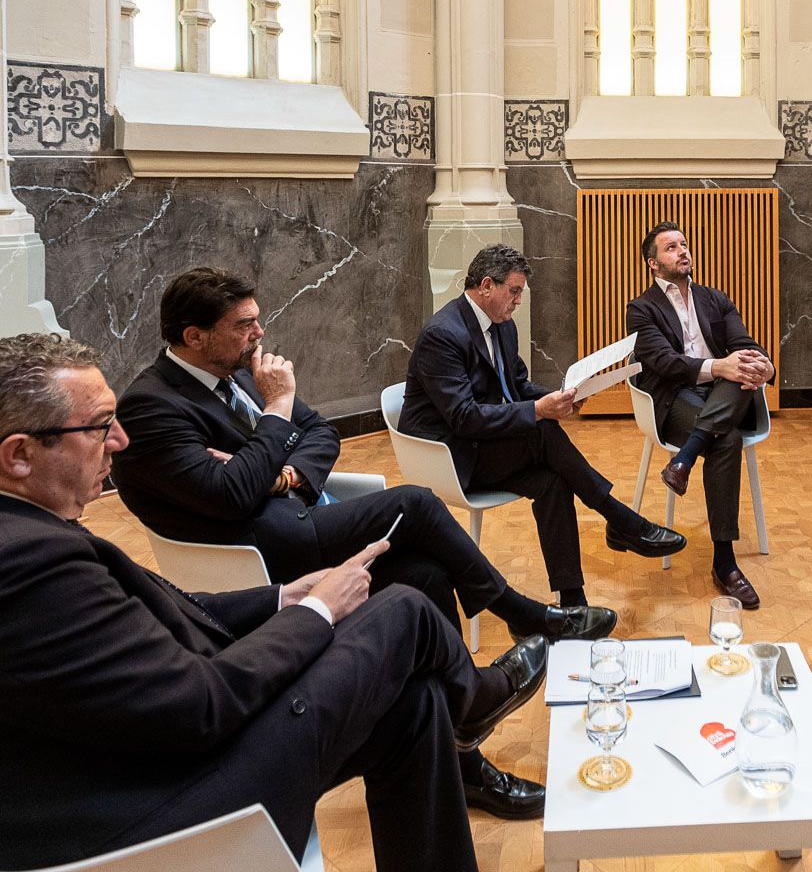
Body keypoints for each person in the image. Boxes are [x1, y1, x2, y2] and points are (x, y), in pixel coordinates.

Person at [0, 333, 547, 872]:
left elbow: (170, 613)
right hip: (164, 829)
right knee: (405, 608)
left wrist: (286, 595)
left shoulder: (25, 536)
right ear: (19, 453)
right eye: (100, 427)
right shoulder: (29, 563)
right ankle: (475, 701)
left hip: (148, 772)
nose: (120, 441)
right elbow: (200, 707)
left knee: (410, 706)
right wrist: (314, 613)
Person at [112, 266, 611, 822]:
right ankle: (520, 615)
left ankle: (462, 751)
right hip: (259, 550)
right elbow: (231, 497)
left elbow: (322, 433)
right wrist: (277, 415)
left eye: (257, 320)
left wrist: (282, 476)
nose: (259, 335)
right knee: (418, 503)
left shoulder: (237, 373)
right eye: (243, 325)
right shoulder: (151, 406)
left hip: (292, 512)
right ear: (193, 336)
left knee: (426, 574)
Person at [401, 244, 685, 606]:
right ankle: (619, 518)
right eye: (514, 291)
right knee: (542, 430)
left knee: (552, 481)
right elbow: (464, 417)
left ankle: (572, 601)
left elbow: (517, 385)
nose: (518, 301)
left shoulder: (502, 327)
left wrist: (562, 397)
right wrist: (539, 410)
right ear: (487, 285)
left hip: (481, 446)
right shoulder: (442, 334)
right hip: (448, 455)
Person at [626, 222, 773, 609]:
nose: (682, 251)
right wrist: (719, 367)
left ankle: (685, 459)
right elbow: (665, 362)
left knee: (740, 370)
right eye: (671, 247)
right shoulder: (642, 309)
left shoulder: (714, 298)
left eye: (684, 244)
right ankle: (725, 563)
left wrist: (766, 366)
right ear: (653, 264)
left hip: (725, 393)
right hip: (678, 398)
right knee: (728, 438)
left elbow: (743, 344)